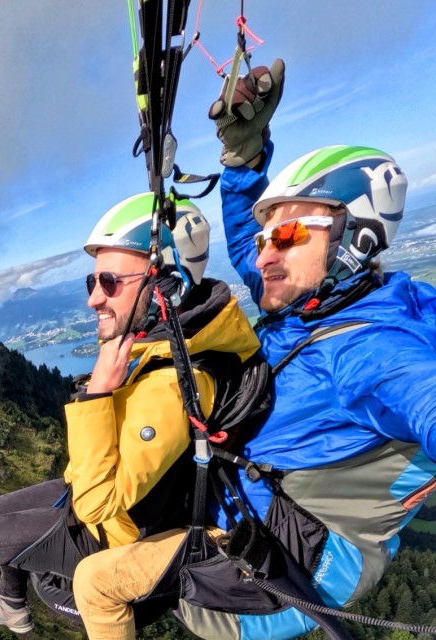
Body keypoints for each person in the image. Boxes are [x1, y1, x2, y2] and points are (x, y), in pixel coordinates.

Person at [77, 58, 436, 640]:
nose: (266, 254)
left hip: (292, 565)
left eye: (290, 235)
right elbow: (249, 246)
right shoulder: (309, 301)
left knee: (96, 579)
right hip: (254, 507)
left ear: (357, 237)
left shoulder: (372, 352)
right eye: (271, 235)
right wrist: (244, 160)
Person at [0, 194, 262, 640]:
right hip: (108, 509)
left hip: (113, 537)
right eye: (92, 282)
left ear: (167, 285)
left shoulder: (173, 383)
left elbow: (98, 503)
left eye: (109, 282)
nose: (94, 298)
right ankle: (13, 606)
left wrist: (97, 396)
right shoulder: (166, 347)